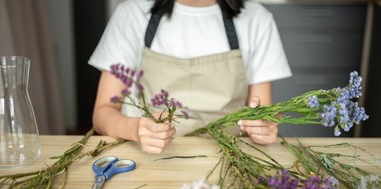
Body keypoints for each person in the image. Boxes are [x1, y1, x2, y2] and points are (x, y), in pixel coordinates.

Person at [89, 0, 291, 154]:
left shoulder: (257, 19)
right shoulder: (132, 13)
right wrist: (134, 129)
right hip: (149, 160)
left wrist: (263, 127)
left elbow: (263, 112)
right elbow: (103, 113)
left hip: (230, 158)